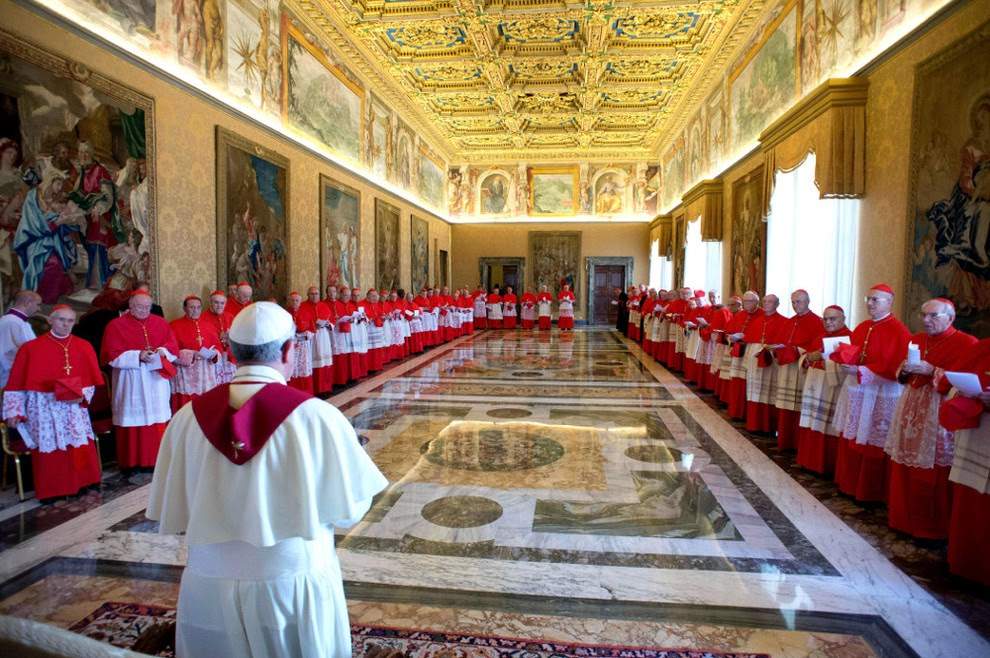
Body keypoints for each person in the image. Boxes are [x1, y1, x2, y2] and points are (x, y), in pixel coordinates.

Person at [146, 301, 388, 656]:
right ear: (290, 350)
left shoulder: (185, 419)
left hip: (207, 583)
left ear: (229, 351)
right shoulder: (316, 417)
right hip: (290, 582)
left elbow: (174, 503)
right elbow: (349, 511)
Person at [885, 298, 976, 539]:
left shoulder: (967, 343)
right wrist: (904, 369)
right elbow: (901, 373)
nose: (926, 320)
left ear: (951, 318)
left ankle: (930, 529)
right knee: (904, 463)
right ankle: (902, 520)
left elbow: (967, 385)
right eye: (924, 315)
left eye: (933, 316)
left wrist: (932, 370)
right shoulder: (917, 338)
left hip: (937, 413)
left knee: (932, 469)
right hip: (910, 407)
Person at [3, 305, 103, 500]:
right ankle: (53, 491)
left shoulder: (84, 346)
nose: (65, 325)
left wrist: (82, 396)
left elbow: (90, 381)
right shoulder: (31, 348)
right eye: (61, 320)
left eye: (70, 321)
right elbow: (15, 383)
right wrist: (13, 411)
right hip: (44, 406)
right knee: (50, 446)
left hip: (73, 407)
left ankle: (83, 483)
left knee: (78, 444)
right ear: (50, 320)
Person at [831, 284, 910, 502]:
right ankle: (848, 483)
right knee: (852, 434)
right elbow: (854, 353)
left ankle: (869, 491)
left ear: (890, 302)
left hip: (880, 392)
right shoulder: (863, 326)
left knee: (872, 440)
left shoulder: (899, 331)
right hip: (858, 390)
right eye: (869, 299)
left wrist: (861, 370)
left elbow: (894, 365)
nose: (870, 303)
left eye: (876, 300)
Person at [101, 291, 178, 470]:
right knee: (133, 420)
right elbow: (110, 355)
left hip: (155, 379)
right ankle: (132, 463)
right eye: (139, 306)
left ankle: (157, 460)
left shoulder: (160, 323)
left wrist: (162, 352)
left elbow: (172, 347)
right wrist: (138, 355)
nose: (144, 310)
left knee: (157, 420)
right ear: (130, 306)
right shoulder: (116, 326)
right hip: (131, 381)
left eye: (147, 307)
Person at [938, 339, 990, 586]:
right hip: (977, 432)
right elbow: (951, 382)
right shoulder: (983, 346)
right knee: (970, 496)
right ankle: (966, 562)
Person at [795, 305, 852, 475]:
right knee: (811, 422)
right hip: (814, 385)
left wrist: (821, 358)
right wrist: (806, 358)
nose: (828, 322)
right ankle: (807, 460)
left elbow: (846, 368)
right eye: (825, 319)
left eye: (832, 319)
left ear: (843, 319)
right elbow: (805, 358)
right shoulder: (819, 336)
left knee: (827, 425)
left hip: (831, 389)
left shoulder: (848, 338)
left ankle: (824, 465)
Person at [772, 290, 824, 450]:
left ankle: (797, 443)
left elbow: (817, 348)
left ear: (808, 301)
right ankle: (785, 440)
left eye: (799, 302)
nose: (795, 305)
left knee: (800, 406)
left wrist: (798, 350)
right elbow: (780, 340)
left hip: (802, 370)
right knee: (786, 406)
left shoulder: (817, 322)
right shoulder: (790, 321)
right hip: (787, 369)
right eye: (793, 302)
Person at [742, 294, 789, 433]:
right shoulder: (757, 320)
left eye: (771, 302)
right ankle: (753, 424)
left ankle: (768, 426)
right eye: (765, 301)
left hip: (771, 359)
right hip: (754, 358)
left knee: (769, 391)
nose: (767, 304)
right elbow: (749, 339)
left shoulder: (784, 321)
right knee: (754, 390)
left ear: (777, 304)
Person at [170, 295, 221, 412]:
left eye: (198, 307)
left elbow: (217, 347)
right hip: (186, 373)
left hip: (205, 372)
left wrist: (214, 354)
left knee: (206, 405)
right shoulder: (174, 325)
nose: (195, 310)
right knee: (187, 407)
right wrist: (192, 354)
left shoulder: (209, 325)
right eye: (192, 307)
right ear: (184, 308)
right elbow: (172, 352)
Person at [724, 291, 763, 418]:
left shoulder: (762, 314)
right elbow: (729, 330)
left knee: (751, 383)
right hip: (738, 352)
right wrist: (731, 337)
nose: (747, 304)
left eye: (750, 301)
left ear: (757, 302)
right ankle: (736, 411)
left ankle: (748, 414)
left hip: (752, 353)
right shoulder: (740, 315)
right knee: (737, 381)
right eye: (745, 301)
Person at [0, 291, 40, 388]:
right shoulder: (13, 322)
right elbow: (21, 350)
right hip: (9, 376)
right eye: (38, 304)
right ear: (28, 303)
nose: (39, 309)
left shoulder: (18, 321)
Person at [302, 286, 335, 395]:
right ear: (307, 295)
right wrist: (312, 325)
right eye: (312, 294)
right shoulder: (303, 306)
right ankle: (315, 388)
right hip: (311, 338)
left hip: (323, 336)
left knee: (324, 362)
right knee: (313, 362)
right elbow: (302, 322)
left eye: (316, 293)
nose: (314, 296)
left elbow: (331, 321)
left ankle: (325, 387)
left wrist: (328, 324)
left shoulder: (323, 306)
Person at [202, 290, 236, 385]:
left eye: (222, 303)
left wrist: (229, 338)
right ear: (210, 302)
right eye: (216, 302)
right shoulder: (203, 318)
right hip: (213, 359)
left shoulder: (230, 317)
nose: (219, 305)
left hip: (229, 357)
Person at [286, 292, 315, 392]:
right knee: (291, 369)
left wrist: (307, 334)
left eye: (297, 300)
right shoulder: (285, 314)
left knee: (303, 368)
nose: (294, 302)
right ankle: (292, 391)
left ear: (300, 302)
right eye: (292, 300)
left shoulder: (306, 313)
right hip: (290, 346)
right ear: (289, 301)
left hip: (303, 346)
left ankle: (305, 391)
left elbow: (312, 330)